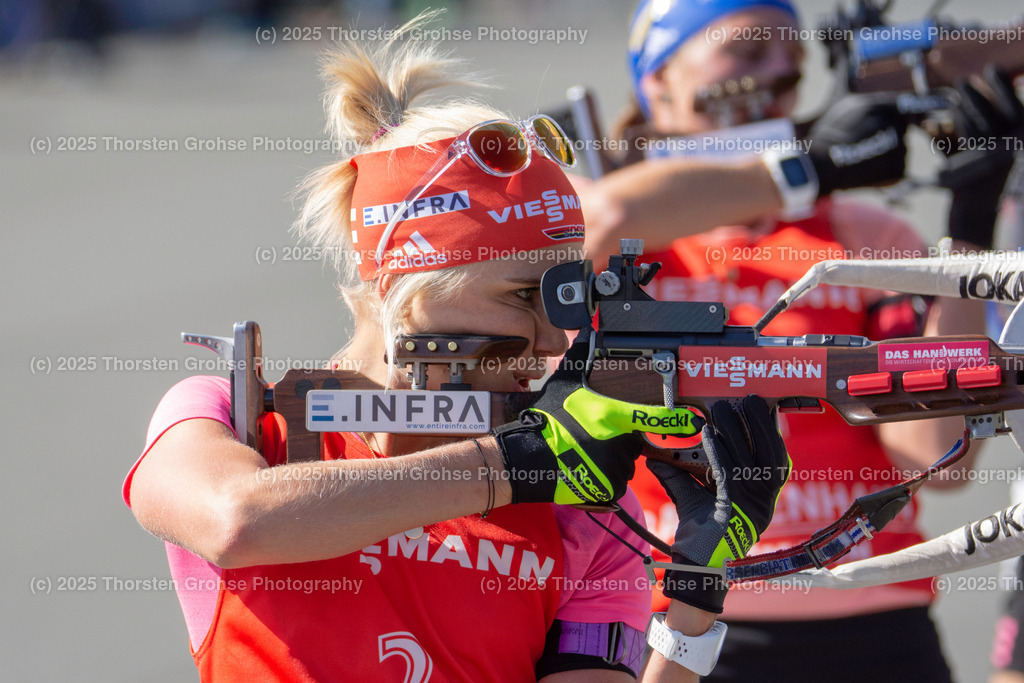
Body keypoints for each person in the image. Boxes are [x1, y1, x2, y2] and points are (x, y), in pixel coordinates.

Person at [123, 16, 791, 682]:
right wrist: (513, 462)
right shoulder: (231, 413)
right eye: (520, 296)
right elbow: (234, 522)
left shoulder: (586, 511)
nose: (555, 337)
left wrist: (694, 598)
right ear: (403, 288)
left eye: (564, 297)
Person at [571, 1, 1011, 681]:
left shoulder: (865, 233)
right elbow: (607, 213)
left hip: (876, 623)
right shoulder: (612, 230)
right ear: (657, 78)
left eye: (793, 63)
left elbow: (936, 456)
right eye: (747, 52)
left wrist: (968, 231)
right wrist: (811, 164)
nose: (777, 73)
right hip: (686, 619)